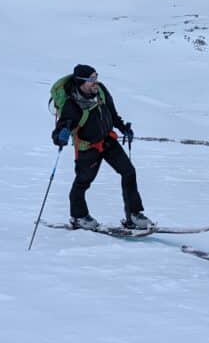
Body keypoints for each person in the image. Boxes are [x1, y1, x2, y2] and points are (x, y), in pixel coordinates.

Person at [52, 64, 153, 231]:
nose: (95, 82)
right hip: (87, 148)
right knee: (83, 182)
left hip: (107, 140)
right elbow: (60, 131)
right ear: (80, 82)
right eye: (91, 79)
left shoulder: (101, 91)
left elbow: (112, 114)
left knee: (128, 171)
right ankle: (79, 216)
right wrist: (60, 137)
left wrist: (123, 128)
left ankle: (134, 215)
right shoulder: (72, 105)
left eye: (96, 77)